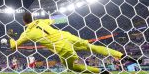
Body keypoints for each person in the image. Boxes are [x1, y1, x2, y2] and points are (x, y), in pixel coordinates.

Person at [8, 12, 140, 73]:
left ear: (24, 22)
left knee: (72, 68)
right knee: (92, 47)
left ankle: (99, 72)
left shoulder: (26, 33)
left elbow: (13, 47)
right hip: (67, 36)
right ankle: (121, 55)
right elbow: (57, 19)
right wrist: (66, 15)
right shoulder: (41, 21)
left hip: (61, 47)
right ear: (32, 18)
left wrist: (10, 37)